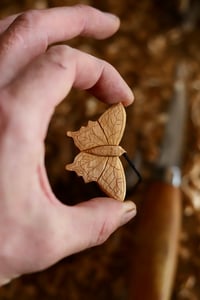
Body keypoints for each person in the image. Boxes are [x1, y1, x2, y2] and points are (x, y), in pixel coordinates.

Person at [0, 4, 136, 286]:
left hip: (100, 146)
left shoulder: (117, 165)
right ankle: (77, 148)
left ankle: (77, 154)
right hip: (101, 145)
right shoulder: (117, 170)